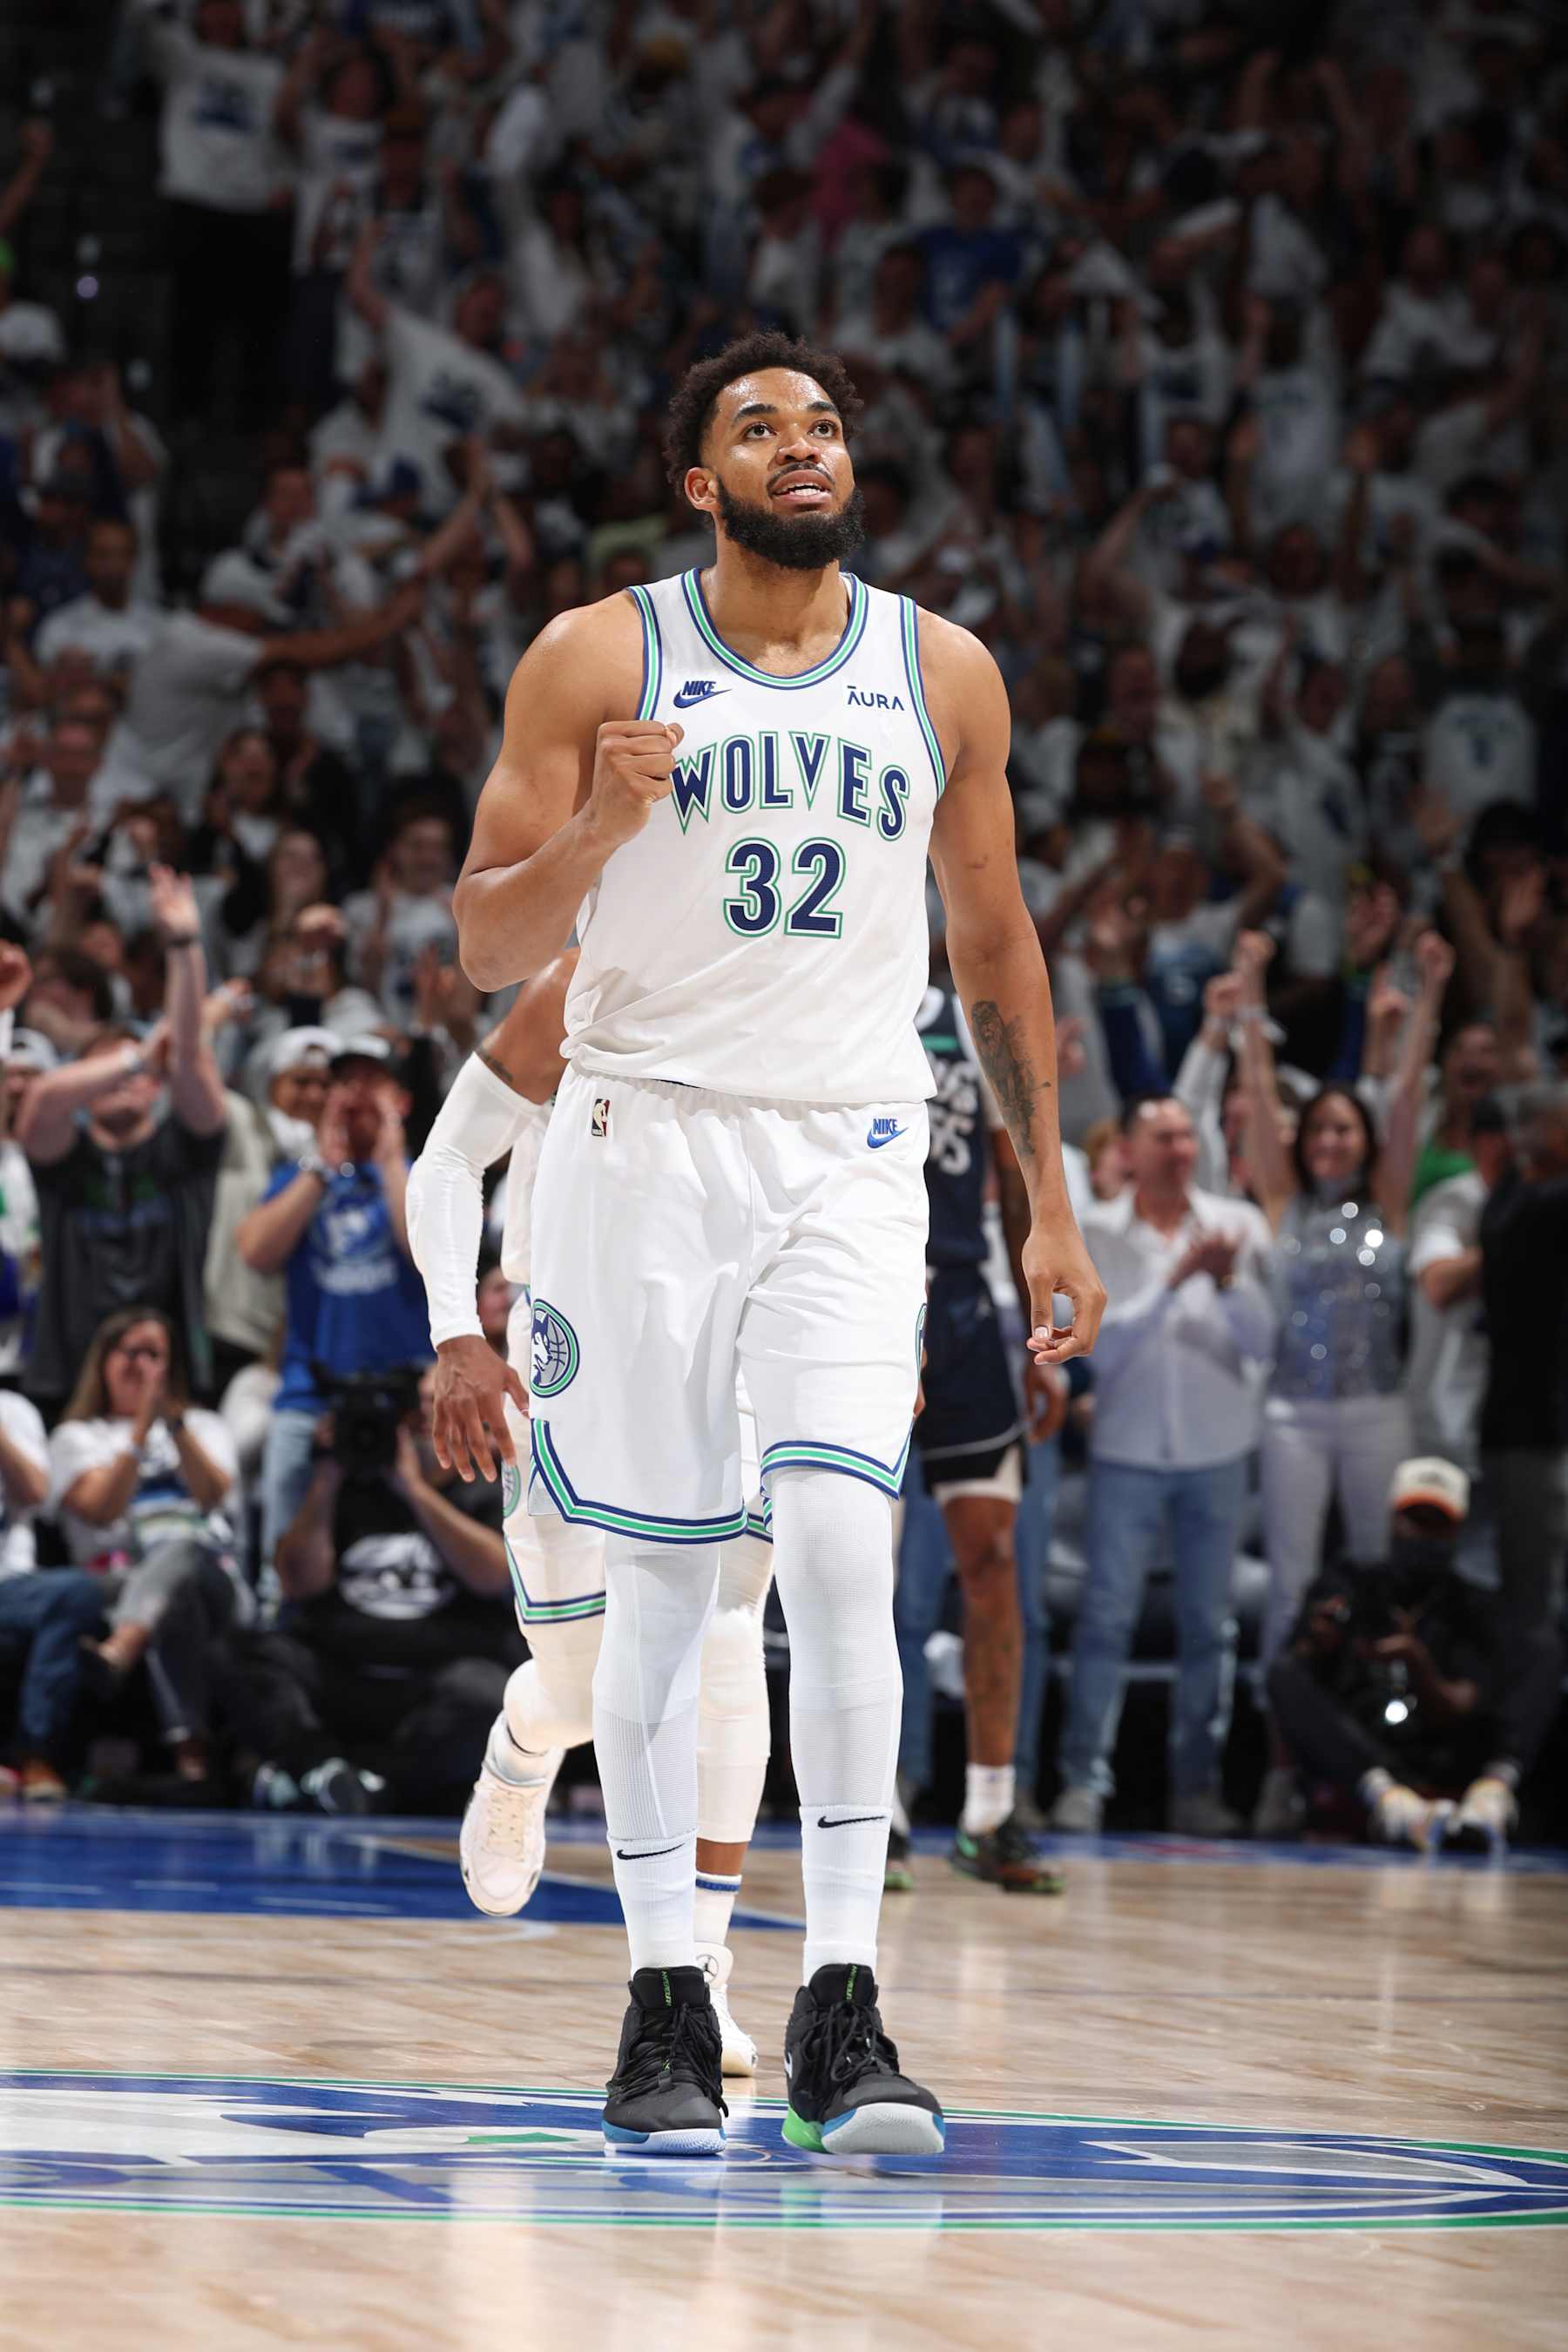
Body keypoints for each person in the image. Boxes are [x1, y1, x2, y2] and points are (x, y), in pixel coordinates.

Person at [455, 331, 1103, 2159]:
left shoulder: (942, 670)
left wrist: (1049, 1198)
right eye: (760, 428)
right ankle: (666, 1996)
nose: (802, 447)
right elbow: (487, 946)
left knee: (834, 1550)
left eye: (823, 425)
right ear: (702, 481)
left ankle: (842, 2002)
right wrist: (600, 825)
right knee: (668, 1589)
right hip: (643, 1145)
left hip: (852, 1148)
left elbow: (994, 940)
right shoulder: (598, 655)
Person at [406, 956, 774, 2075]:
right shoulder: (573, 984)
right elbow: (449, 1157)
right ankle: (524, 1746)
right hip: (568, 1343)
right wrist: (454, 1331)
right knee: (582, 1687)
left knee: (726, 1638)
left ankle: (700, 1969)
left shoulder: (779, 981)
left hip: (728, 1334)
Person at [1236, 927, 1452, 1837]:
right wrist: (1251, 993)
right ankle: (1283, 1769)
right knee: (1291, 1586)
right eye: (1319, 1128)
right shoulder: (1282, 1201)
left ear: (1364, 1140)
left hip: (1375, 1410)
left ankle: (1379, 1758)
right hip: (1293, 1411)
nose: (1330, 1140)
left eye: (1344, 1128)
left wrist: (1427, 997)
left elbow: (1407, 1097)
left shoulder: (1390, 1200)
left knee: (1377, 1581)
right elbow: (1257, 1096)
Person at [1050, 1096, 1273, 1836]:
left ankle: (1196, 1789)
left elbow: (1264, 1344)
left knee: (1209, 1628)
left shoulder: (1239, 1224)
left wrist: (1228, 1283)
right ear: (1130, 1150)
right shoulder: (1097, 1234)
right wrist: (1174, 1281)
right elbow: (1094, 1350)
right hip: (1128, 1450)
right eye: (1162, 1137)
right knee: (1106, 1620)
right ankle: (1083, 1784)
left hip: (1217, 1450)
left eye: (1185, 1136)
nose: (1179, 1149)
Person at [891, 977, 1064, 1892]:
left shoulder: (965, 1018)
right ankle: (870, 1810)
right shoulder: (823, 981)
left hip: (961, 1301)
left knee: (994, 1561)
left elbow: (1013, 1178)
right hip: (865, 1287)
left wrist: (1040, 1335)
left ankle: (991, 1810)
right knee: (864, 1570)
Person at [220, 1366, 521, 1815]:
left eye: (441, 1400)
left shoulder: (485, 1486)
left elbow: (495, 1575)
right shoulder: (346, 1479)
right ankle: (325, 1768)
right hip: (340, 1672)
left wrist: (414, 1490)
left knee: (492, 1697)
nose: (427, 1414)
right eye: (419, 1403)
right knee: (244, 1656)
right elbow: (298, 1581)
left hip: (433, 1681)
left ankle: (351, 1781)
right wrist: (327, 1476)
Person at [1267, 1458, 1561, 1851]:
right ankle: (1393, 1805)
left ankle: (1491, 1796)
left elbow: (1461, 1708)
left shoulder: (1472, 1608)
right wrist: (1319, 1644)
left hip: (1448, 1759)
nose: (1421, 1535)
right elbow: (1300, 1678)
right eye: (1414, 1519)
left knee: (1545, 1649)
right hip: (1367, 1760)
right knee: (1285, 1672)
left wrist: (1417, 1663)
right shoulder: (1350, 1584)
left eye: (1436, 1524)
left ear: (1456, 1531)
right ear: (1393, 1520)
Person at [18, 868, 229, 1416]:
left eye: (138, 1074)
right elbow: (41, 1100)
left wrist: (184, 945)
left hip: (174, 1381)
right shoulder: (65, 1158)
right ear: (85, 1088)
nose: (123, 1080)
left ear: (157, 1087)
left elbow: (188, 1055)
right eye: (104, 1071)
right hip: (67, 1382)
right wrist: (136, 1057)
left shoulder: (184, 1151)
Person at [236, 1036, 431, 1570]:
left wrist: (389, 1160)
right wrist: (323, 1165)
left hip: (409, 1403)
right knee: (286, 1561)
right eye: (345, 1081)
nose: (356, 1093)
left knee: (415, 1553)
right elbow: (254, 1252)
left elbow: (428, 1254)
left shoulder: (427, 1177)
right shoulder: (301, 1178)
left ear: (402, 1101)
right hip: (311, 1396)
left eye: (372, 1081)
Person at [49, 1307, 243, 1786]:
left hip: (213, 1575)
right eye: (129, 1352)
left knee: (183, 1548)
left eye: (154, 1354)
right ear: (103, 1361)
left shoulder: (204, 1425)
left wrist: (172, 1423)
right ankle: (190, 1753)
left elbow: (212, 1495)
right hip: (117, 1581)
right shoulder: (77, 1436)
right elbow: (100, 1508)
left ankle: (122, 1647)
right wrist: (139, 1430)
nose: (141, 1365)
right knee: (175, 1599)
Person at [1478, 1084, 1568, 1649]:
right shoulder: (1527, 1209)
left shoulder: (1510, 1204)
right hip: (1534, 1436)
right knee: (1533, 1604)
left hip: (1528, 1431)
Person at [0, 1381, 96, 1800]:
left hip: (9, 1587)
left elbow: (37, 1493)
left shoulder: (13, 1409)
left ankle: (34, 1754)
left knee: (74, 1592)